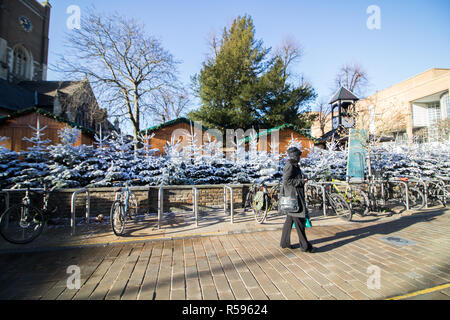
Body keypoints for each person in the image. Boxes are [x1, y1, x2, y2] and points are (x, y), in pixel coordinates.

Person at [279, 147, 316, 252]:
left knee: (289, 221)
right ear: (294, 156)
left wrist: (302, 178)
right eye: (299, 156)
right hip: (294, 198)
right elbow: (287, 181)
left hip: (294, 197)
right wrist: (301, 181)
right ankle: (305, 246)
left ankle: (284, 243)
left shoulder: (294, 165)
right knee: (300, 222)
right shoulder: (290, 166)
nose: (300, 157)